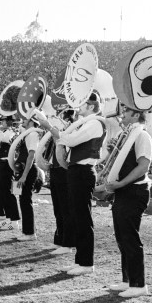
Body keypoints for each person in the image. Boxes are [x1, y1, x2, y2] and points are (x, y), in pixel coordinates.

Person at [36, 92, 106, 276]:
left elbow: (68, 139)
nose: (78, 106)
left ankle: (86, 262)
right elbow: (66, 138)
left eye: (82, 103)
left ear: (91, 106)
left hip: (83, 171)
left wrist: (48, 126)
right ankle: (80, 260)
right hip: (77, 170)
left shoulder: (94, 123)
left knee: (82, 217)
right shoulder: (87, 122)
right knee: (76, 215)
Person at [105, 106, 152, 298]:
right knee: (122, 237)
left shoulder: (142, 136)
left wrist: (121, 183)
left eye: (126, 112)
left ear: (135, 115)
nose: (122, 115)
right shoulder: (128, 135)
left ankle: (139, 284)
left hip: (134, 190)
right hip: (125, 191)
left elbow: (143, 166)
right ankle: (127, 280)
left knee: (130, 237)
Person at [49, 110, 76, 255]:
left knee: (65, 208)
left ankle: (68, 242)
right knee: (58, 208)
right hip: (55, 168)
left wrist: (56, 131)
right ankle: (59, 239)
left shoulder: (71, 129)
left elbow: (64, 143)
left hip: (64, 170)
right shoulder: (59, 130)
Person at [0, 115, 21, 233]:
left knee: (8, 192)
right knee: (3, 192)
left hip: (8, 164)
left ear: (8, 121)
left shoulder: (12, 131)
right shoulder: (4, 131)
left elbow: (5, 138)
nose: (1, 123)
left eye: (2, 121)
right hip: (1, 163)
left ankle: (15, 221)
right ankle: (9, 217)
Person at [13, 114, 40, 241]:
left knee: (25, 201)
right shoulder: (28, 133)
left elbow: (31, 156)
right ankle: (26, 230)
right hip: (22, 169)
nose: (23, 120)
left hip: (27, 171)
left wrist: (24, 175)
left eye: (26, 118)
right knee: (21, 199)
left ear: (31, 121)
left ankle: (29, 232)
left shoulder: (33, 134)